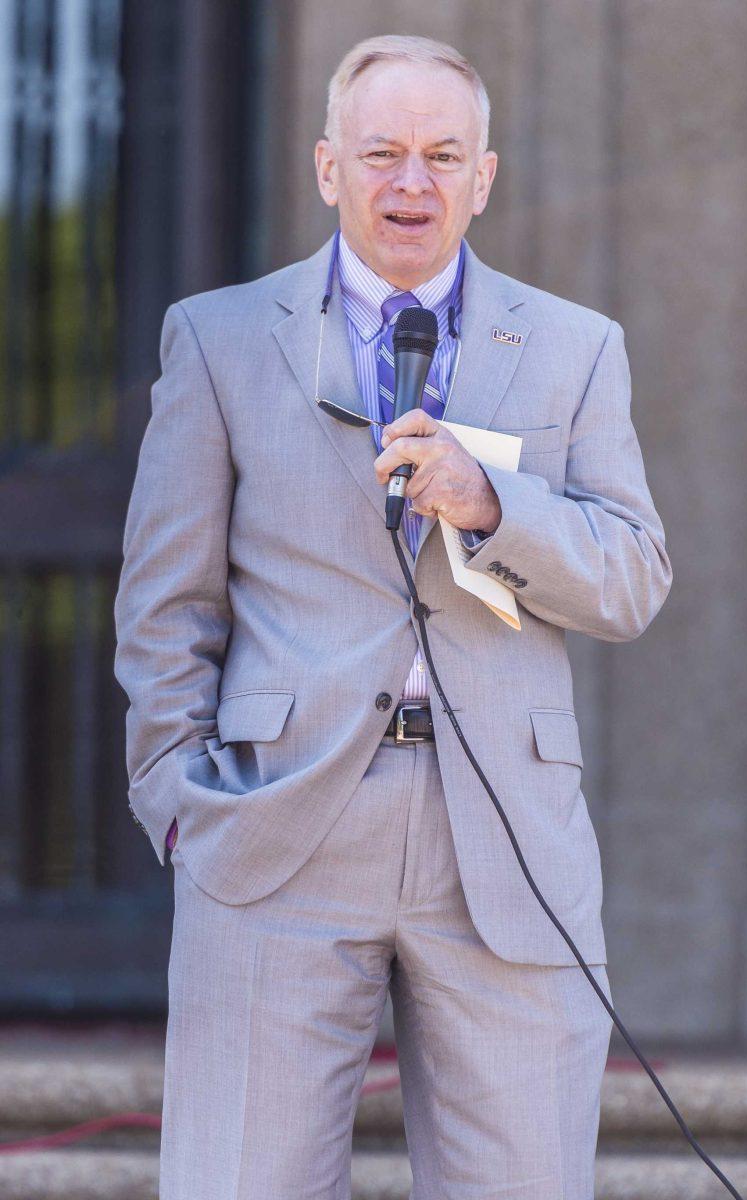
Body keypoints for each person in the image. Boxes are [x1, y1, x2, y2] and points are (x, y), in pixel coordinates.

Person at [113, 32, 672, 1200]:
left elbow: (630, 577)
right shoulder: (218, 340)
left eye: (440, 155)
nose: (410, 183)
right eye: (381, 153)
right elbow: (166, 604)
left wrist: (492, 505)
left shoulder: (576, 348)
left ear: (485, 177)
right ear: (328, 169)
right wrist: (178, 803)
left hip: (507, 840)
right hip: (276, 829)